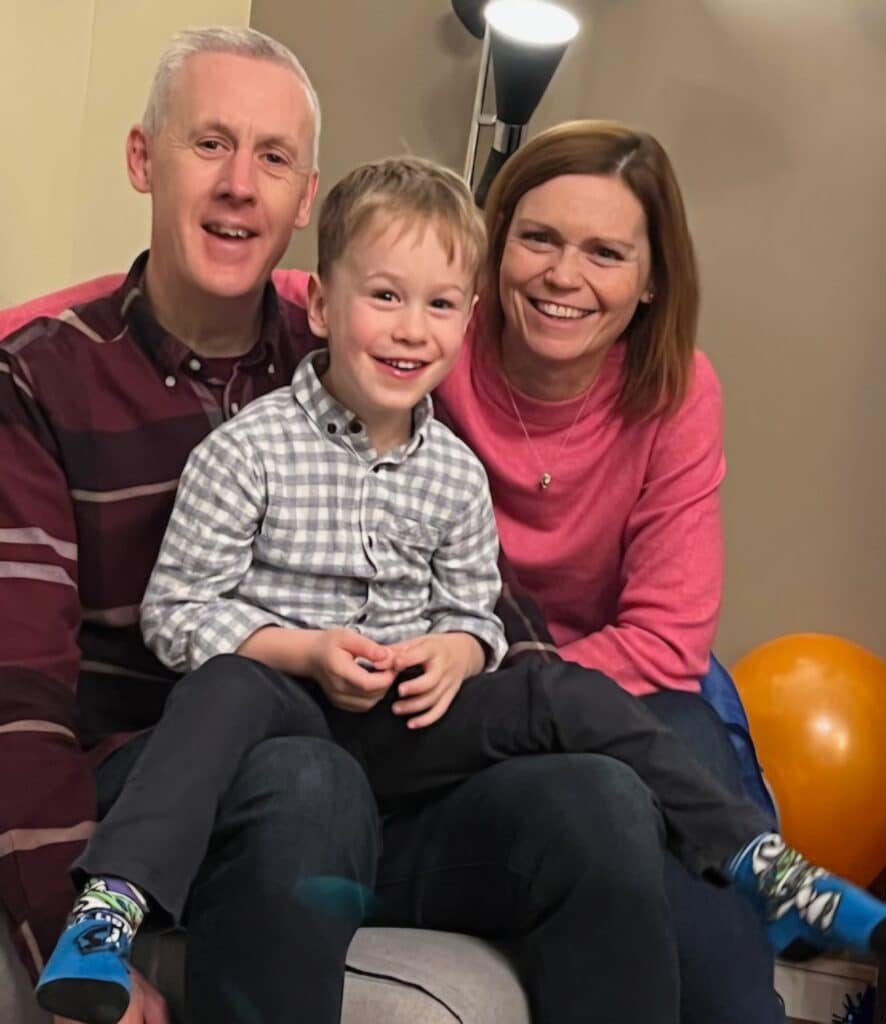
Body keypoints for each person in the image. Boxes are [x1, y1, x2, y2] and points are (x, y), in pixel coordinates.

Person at [0, 30, 775, 1024]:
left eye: (273, 158)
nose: (242, 185)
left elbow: (476, 584)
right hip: (179, 778)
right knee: (301, 772)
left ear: (305, 198)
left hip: (386, 770)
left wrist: (491, 664)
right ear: (144, 158)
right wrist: (53, 920)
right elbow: (16, 691)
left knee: (603, 796)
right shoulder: (43, 380)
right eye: (209, 146)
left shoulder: (366, 342)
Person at [429, 118, 796, 1022]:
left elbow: (667, 639)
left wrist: (530, 692)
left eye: (604, 252)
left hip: (625, 683)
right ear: (494, 239)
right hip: (460, 690)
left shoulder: (675, 392)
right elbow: (285, 292)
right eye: (540, 238)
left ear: (648, 281)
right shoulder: (427, 335)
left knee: (681, 760)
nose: (564, 276)